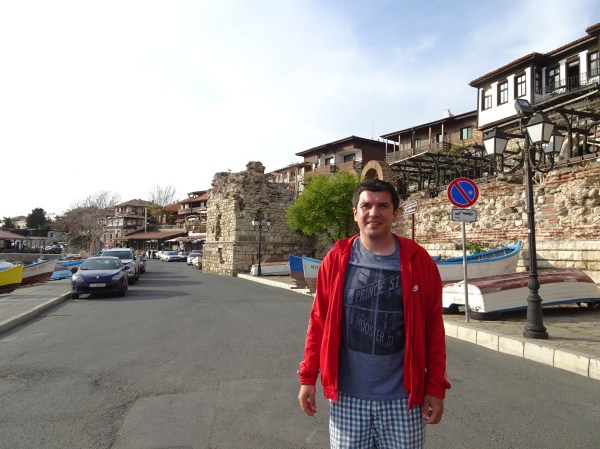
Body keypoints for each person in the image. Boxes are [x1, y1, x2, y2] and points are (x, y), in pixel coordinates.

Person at [297, 179, 451, 448]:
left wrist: (435, 387)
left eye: (383, 206)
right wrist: (308, 377)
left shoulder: (418, 261)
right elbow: (319, 322)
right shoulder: (336, 259)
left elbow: (433, 329)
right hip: (348, 398)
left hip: (403, 400)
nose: (374, 212)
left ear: (395, 213)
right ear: (355, 213)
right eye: (366, 205)